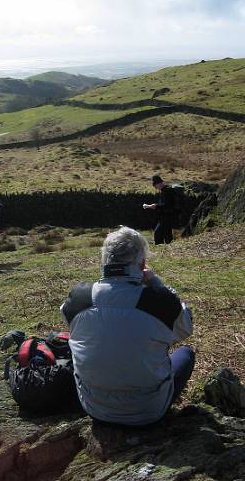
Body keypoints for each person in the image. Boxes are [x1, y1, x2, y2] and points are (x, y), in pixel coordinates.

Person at [60, 226, 194, 426]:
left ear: (104, 260)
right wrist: (156, 282)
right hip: (149, 411)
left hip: (93, 407)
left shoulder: (79, 298)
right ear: (142, 264)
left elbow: (67, 319)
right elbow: (185, 327)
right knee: (186, 353)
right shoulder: (159, 301)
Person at [143, 175, 175, 245]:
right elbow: (164, 204)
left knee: (157, 234)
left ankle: (159, 249)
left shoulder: (167, 191)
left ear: (159, 183)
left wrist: (156, 206)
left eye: (155, 185)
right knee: (168, 235)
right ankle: (168, 249)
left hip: (166, 217)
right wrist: (156, 205)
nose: (156, 188)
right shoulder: (165, 190)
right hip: (167, 216)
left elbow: (167, 205)